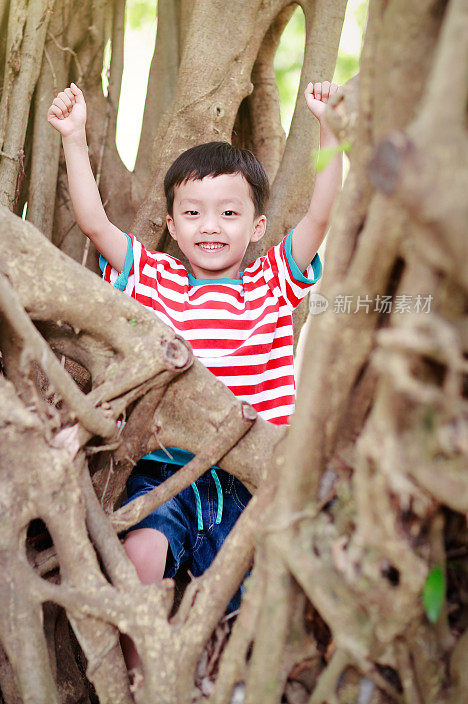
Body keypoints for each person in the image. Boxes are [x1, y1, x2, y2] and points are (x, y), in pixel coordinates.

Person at [48, 80, 342, 667]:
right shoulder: (152, 277)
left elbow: (320, 213)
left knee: (250, 595)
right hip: (167, 468)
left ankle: (232, 679)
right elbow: (94, 224)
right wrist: (74, 138)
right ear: (172, 225)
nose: (211, 226)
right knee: (140, 558)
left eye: (230, 213)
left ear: (257, 227)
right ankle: (138, 680)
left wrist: (332, 129)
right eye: (193, 213)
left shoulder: (272, 282)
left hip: (254, 474)